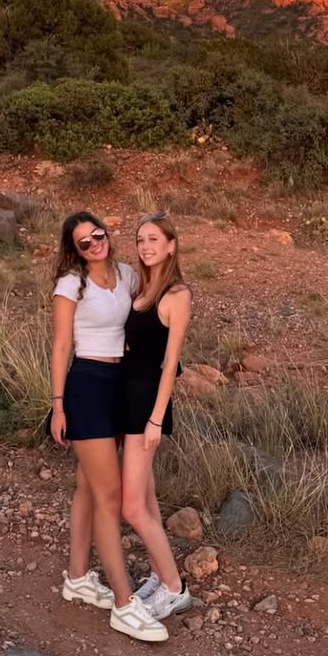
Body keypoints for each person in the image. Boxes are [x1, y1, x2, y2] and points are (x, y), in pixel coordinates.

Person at [49, 211, 168, 643]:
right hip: (87, 385)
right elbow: (62, 345)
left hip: (122, 385)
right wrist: (58, 406)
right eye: (84, 242)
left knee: (88, 484)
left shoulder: (126, 275)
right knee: (109, 495)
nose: (94, 243)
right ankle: (123, 603)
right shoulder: (70, 285)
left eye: (97, 234)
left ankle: (78, 577)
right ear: (75, 250)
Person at [119, 211, 194, 620]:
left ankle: (175, 587)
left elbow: (169, 364)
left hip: (148, 406)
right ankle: (158, 575)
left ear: (171, 246)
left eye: (153, 239)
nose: (146, 247)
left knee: (132, 507)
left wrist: (155, 420)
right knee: (145, 500)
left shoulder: (177, 295)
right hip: (128, 398)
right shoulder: (142, 289)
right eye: (140, 240)